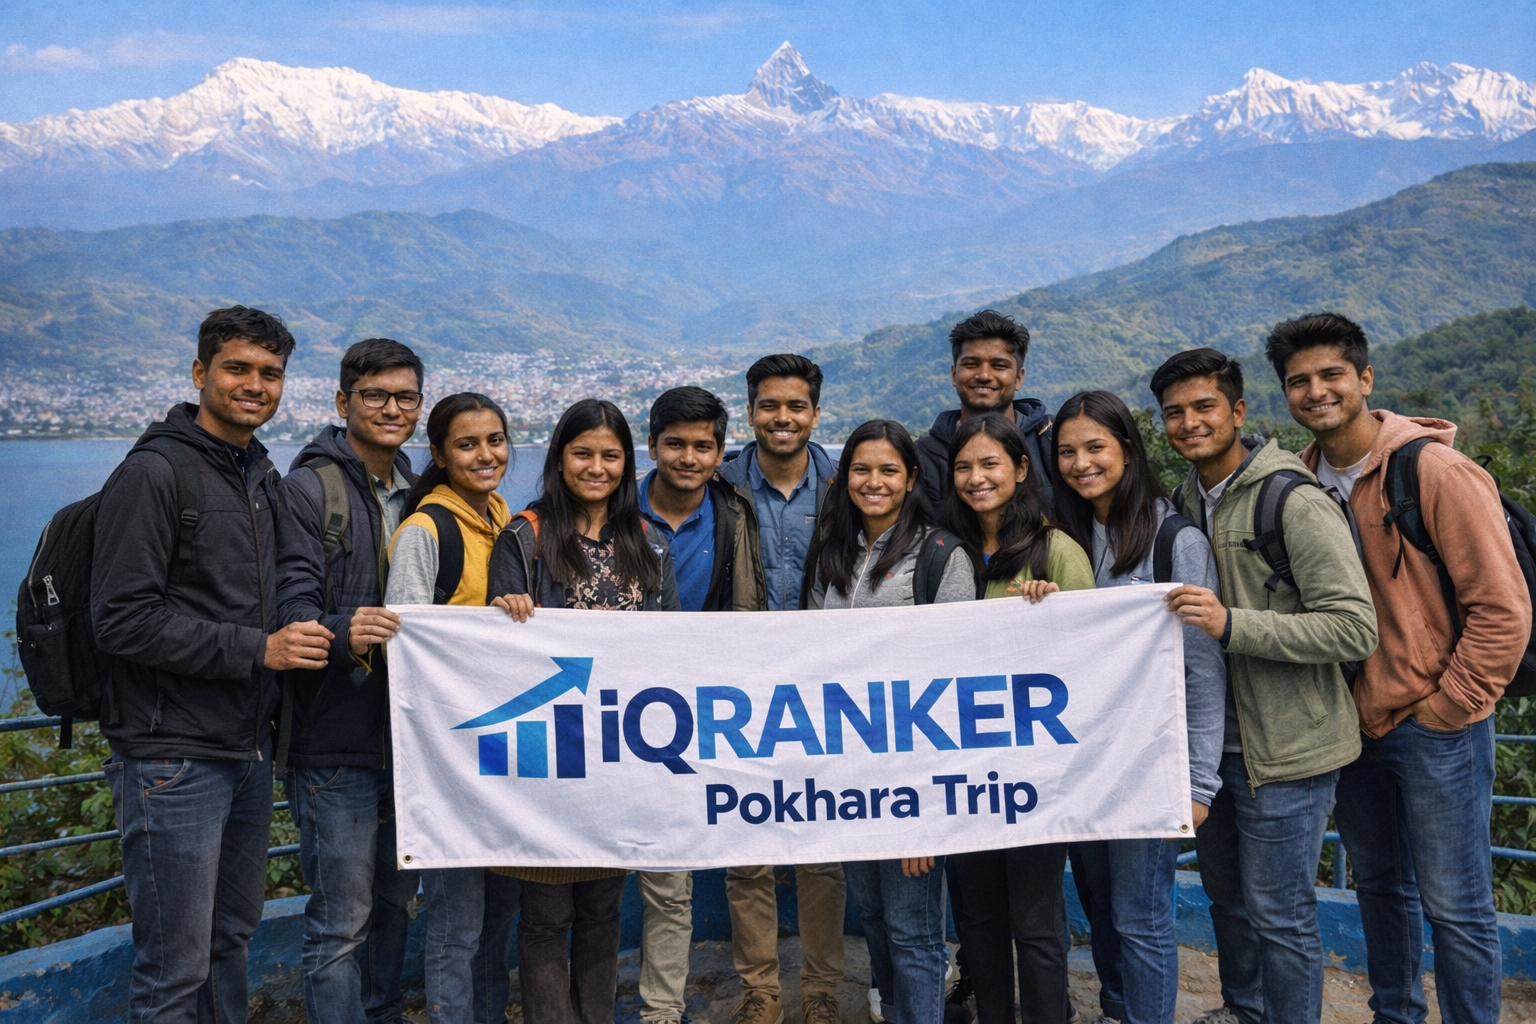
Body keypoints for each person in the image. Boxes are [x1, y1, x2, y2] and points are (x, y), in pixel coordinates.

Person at [1267, 312, 1530, 1024]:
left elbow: (1503, 607)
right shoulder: (1297, 482)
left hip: (1435, 722)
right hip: (1352, 723)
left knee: (1458, 904)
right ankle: (1396, 1014)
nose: (1317, 391)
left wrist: (1450, 703)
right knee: (1381, 888)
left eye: (1331, 375)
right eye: (1300, 381)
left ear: (1365, 379)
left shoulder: (1434, 470)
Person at [93, 305, 333, 1024]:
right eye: (238, 369)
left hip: (245, 746)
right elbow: (121, 618)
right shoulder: (155, 473)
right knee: (173, 967)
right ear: (201, 373)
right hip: (171, 756)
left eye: (270, 373)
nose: (255, 385)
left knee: (231, 940)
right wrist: (258, 649)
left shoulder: (256, 473)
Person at [1150, 348, 1378, 1024]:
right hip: (1214, 749)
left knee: (1282, 914)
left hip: (1289, 749)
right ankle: (1244, 1010)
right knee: (1229, 900)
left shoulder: (1294, 499)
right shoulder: (1186, 500)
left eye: (1203, 408)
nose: (1189, 423)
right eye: (1174, 413)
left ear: (1238, 412)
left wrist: (1231, 625)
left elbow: (1352, 628)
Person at [487, 397, 679, 1024]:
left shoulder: (649, 544)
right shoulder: (526, 537)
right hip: (552, 755)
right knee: (545, 915)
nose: (596, 467)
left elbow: (668, 644)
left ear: (628, 463)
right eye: (582, 454)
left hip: (621, 753)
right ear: (559, 459)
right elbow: (493, 650)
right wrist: (506, 612)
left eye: (610, 455)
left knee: (602, 909)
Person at [1053, 390, 1227, 1024]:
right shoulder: (1062, 535)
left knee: (1140, 916)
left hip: (1149, 762)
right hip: (1082, 762)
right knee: (1101, 907)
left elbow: (1202, 670)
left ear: (1127, 448)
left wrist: (1199, 783)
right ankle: (1117, 1010)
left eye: (1096, 448)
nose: (1081, 463)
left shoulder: (1172, 540)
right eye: (1067, 452)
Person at [276, 338, 427, 1024]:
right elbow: (289, 610)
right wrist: (345, 632)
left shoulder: (420, 486)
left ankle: (384, 1013)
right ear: (344, 402)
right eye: (375, 395)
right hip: (333, 741)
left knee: (396, 903)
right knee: (341, 921)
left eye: (405, 397)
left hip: (410, 741)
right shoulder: (311, 490)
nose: (392, 409)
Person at [806, 419, 974, 1024]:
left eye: (887, 471)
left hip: (912, 778)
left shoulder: (938, 556)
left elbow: (954, 687)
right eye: (860, 469)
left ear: (909, 481)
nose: (872, 482)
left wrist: (928, 808)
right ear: (844, 475)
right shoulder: (831, 549)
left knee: (914, 928)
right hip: (847, 772)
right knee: (872, 914)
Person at [939, 412, 1094, 1024]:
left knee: (1034, 918)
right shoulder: (945, 551)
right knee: (976, 916)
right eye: (963, 467)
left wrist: (1052, 613)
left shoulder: (1058, 551)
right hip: (962, 764)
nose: (976, 478)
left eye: (990, 464)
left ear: (1022, 469)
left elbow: (1093, 657)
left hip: (1036, 770)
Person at [715, 355, 847, 1024]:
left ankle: (822, 990)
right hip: (742, 691)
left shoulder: (846, 484)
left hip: (827, 691)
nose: (783, 418)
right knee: (749, 853)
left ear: (815, 414)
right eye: (769, 406)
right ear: (751, 412)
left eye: (796, 406)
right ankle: (760, 992)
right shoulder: (719, 484)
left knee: (823, 852)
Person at [384, 393, 517, 1024]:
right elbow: (405, 648)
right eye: (467, 444)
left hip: (501, 754)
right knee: (457, 922)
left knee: (497, 924)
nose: (485, 455)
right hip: (448, 759)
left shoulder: (499, 517)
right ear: (438, 454)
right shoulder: (425, 531)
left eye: (495, 440)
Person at [631, 386, 761, 1024]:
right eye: (675, 444)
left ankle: (661, 1009)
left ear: (719, 451)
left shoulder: (732, 515)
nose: (688, 457)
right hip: (619, 713)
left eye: (702, 445)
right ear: (652, 445)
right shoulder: (610, 508)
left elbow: (744, 611)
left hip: (704, 714)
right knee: (619, 872)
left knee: (674, 874)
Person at [914, 309, 1058, 514]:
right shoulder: (924, 456)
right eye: (971, 364)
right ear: (954, 374)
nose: (984, 375)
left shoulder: (1052, 439)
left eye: (999, 366)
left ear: (1018, 378)